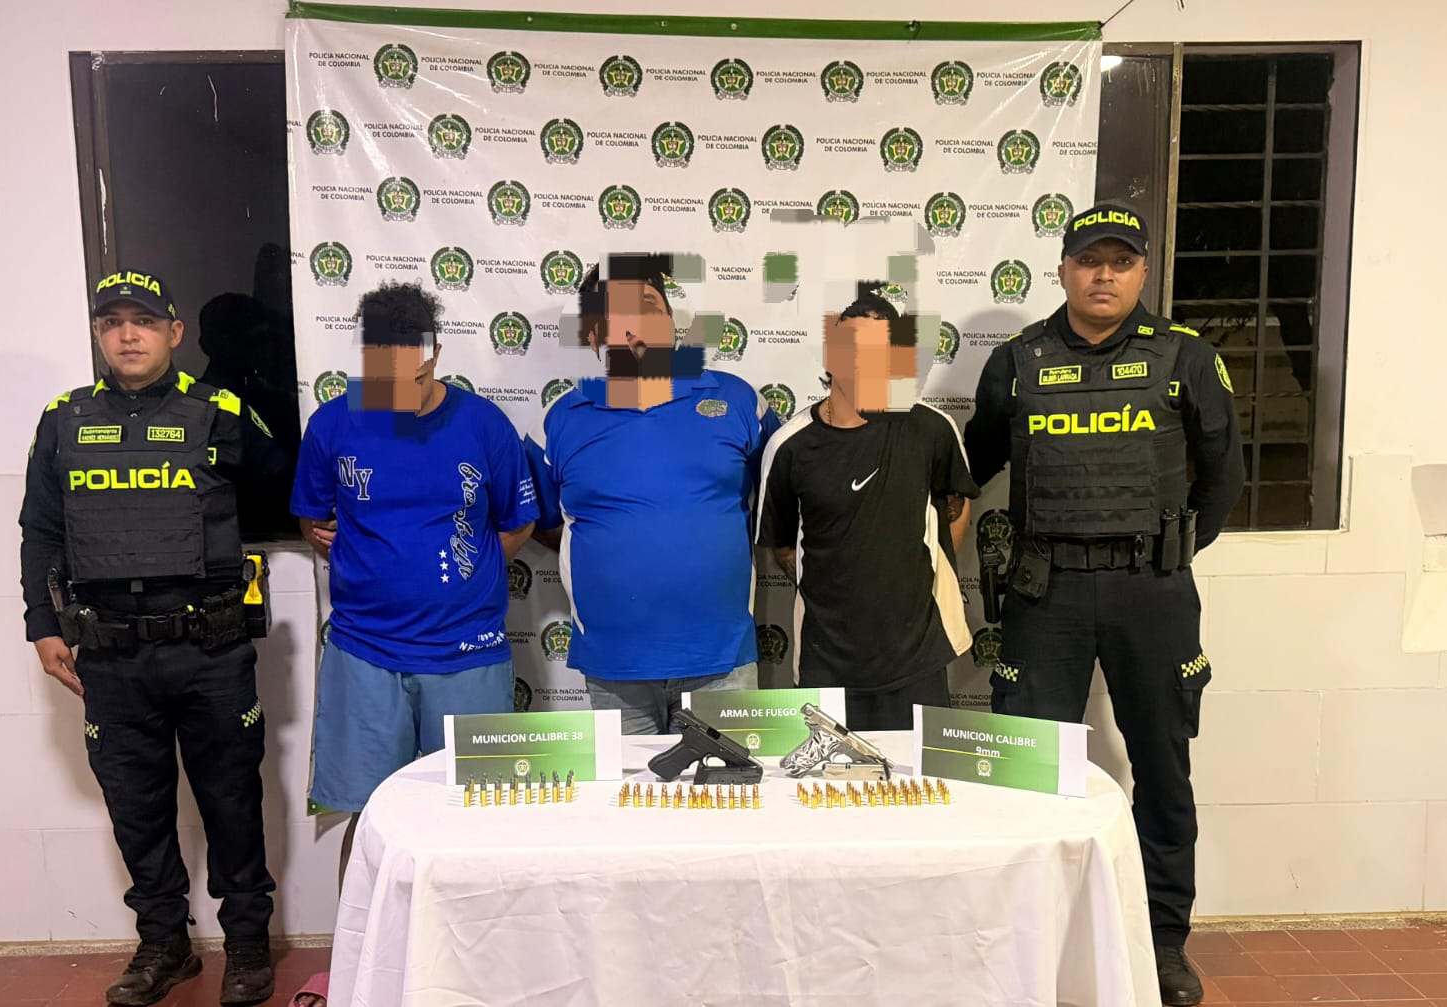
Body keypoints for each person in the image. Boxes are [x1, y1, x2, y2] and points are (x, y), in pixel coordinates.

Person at [962, 205, 1244, 1007]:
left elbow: (1224, 477)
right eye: (1090, 260)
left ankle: (1163, 941)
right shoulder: (1017, 361)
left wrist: (1164, 553)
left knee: (1162, 768)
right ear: (1063, 270)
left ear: (1143, 272)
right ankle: (1029, 935)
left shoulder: (1187, 357)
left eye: (1121, 261)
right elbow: (972, 465)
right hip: (1044, 591)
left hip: (1150, 591)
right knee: (1025, 768)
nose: (1104, 275)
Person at [20, 269, 287, 1006]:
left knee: (232, 802)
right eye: (112, 322)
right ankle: (164, 945)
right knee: (136, 810)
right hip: (109, 654)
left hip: (211, 647)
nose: (127, 334)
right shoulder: (64, 420)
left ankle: (247, 944)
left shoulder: (220, 411)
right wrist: (41, 624)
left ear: (174, 332)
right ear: (98, 335)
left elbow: (286, 487)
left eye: (142, 321)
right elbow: (41, 530)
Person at [291, 282, 537, 869]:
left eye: (415, 379)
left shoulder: (483, 424)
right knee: (369, 822)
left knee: (477, 821)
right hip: (364, 653)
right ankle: (362, 932)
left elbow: (518, 523)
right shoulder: (333, 423)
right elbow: (312, 520)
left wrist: (463, 576)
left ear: (436, 355)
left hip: (469, 655)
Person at [523, 254, 779, 734]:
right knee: (627, 786)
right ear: (593, 336)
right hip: (613, 665)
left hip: (721, 660)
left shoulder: (739, 401)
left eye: (647, 306)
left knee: (729, 784)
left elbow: (778, 498)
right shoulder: (558, 421)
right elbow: (535, 520)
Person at [756, 290, 975, 730]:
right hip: (826, 661)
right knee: (830, 775)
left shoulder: (931, 428)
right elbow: (783, 547)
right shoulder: (789, 445)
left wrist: (916, 573)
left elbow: (956, 505)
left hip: (917, 657)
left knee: (918, 775)